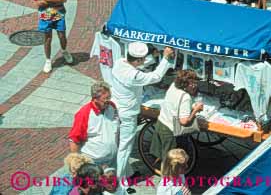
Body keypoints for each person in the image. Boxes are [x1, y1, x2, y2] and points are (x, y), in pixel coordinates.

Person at [111, 41, 175, 178]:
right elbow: (155, 77)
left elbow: (137, 66)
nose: (145, 60)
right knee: (125, 148)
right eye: (143, 58)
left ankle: (128, 173)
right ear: (138, 59)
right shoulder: (134, 76)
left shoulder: (119, 62)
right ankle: (119, 181)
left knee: (119, 144)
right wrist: (165, 58)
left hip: (116, 109)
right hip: (127, 114)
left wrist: (152, 58)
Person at [150, 70, 203, 162]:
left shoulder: (173, 86)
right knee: (171, 162)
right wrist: (195, 110)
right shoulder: (185, 97)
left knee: (165, 156)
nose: (194, 85)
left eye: (195, 82)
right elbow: (184, 121)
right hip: (171, 130)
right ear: (184, 84)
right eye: (191, 83)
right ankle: (168, 175)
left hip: (161, 123)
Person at [34, 0, 73, 73]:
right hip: (45, 16)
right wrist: (55, 0)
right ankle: (48, 60)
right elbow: (38, 2)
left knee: (62, 36)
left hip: (59, 14)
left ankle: (64, 50)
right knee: (47, 39)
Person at [69, 81, 119, 166]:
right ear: (95, 99)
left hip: (113, 160)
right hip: (93, 163)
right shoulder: (84, 114)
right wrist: (78, 165)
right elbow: (74, 140)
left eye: (109, 97)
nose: (108, 101)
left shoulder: (112, 106)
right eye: (105, 99)